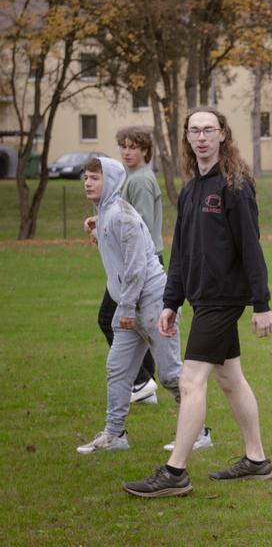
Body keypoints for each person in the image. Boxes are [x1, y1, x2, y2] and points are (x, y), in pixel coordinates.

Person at [123, 106, 272, 498]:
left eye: (209, 129)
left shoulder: (235, 184)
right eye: (195, 131)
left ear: (223, 134)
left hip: (224, 299)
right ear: (187, 138)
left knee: (191, 381)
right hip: (201, 298)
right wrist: (171, 301)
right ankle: (257, 461)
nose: (202, 137)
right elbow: (182, 252)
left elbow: (250, 247)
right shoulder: (191, 189)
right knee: (230, 378)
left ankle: (176, 472)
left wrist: (261, 304)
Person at [76, 157, 182, 454]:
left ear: (110, 181)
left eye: (95, 178)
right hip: (130, 305)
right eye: (85, 177)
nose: (88, 183)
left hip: (152, 303)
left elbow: (136, 267)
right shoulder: (108, 213)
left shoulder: (122, 215)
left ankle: (199, 432)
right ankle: (115, 435)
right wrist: (95, 228)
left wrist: (124, 309)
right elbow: (118, 247)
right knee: (118, 369)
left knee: (171, 374)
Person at [85, 126, 163, 405]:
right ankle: (145, 387)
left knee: (109, 318)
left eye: (133, 147)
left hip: (141, 265)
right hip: (138, 263)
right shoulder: (132, 178)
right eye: (123, 146)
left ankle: (142, 381)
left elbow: (134, 225)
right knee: (140, 328)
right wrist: (99, 223)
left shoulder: (140, 180)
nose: (127, 152)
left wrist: (103, 231)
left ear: (145, 151)